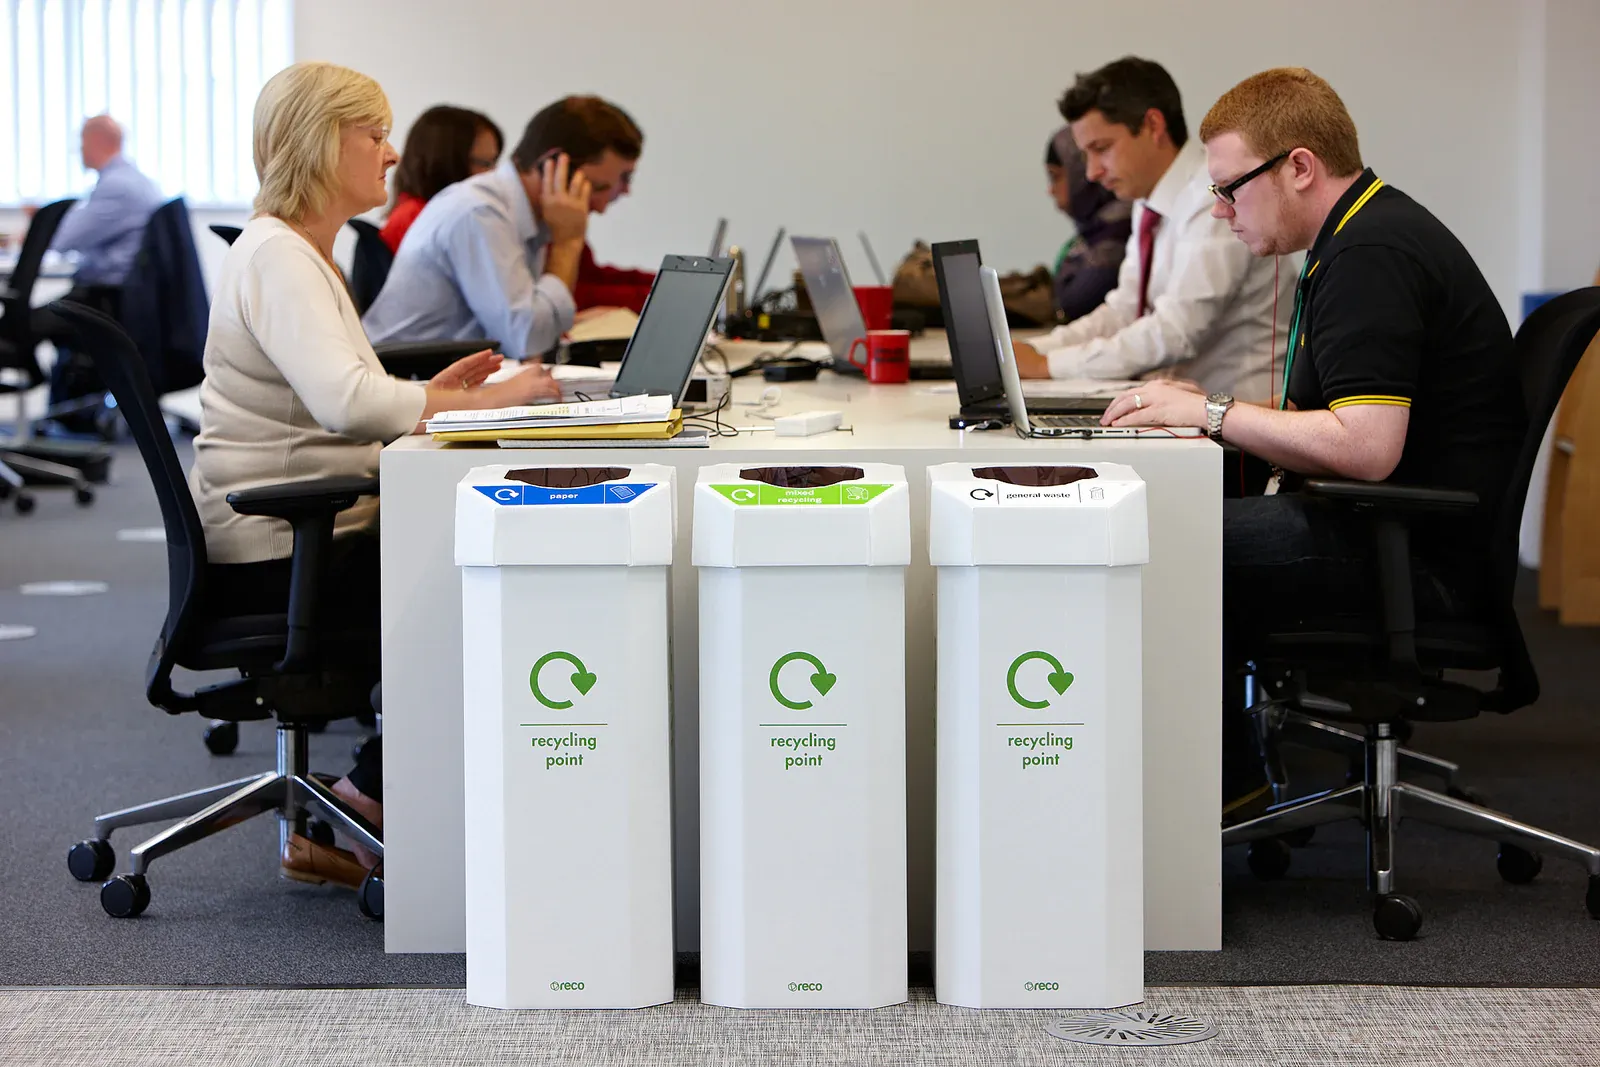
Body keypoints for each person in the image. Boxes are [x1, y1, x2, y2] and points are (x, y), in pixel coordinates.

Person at [1099, 67, 1526, 816]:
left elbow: (1367, 447)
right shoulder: (1358, 235)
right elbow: (1335, 416)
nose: (1221, 210)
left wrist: (1216, 415)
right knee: (1182, 522)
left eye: (1231, 187)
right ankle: (1227, 778)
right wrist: (1207, 407)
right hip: (1395, 528)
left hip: (1411, 555)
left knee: (1164, 538)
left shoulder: (1371, 256)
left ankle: (1223, 794)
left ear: (1299, 167)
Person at [191, 60, 562, 888]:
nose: (392, 154)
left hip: (299, 531)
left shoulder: (296, 253)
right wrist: (468, 403)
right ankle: (371, 796)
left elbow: (346, 395)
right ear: (325, 145)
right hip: (283, 550)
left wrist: (437, 397)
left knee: (484, 568)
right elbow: (346, 402)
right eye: (375, 135)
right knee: (488, 586)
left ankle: (378, 796)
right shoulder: (280, 258)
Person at [1012, 58, 1296, 403]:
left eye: (1101, 149)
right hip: (1184, 421)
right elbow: (1124, 310)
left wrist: (1049, 365)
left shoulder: (1213, 196)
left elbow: (1177, 332)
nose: (1092, 173)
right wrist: (1033, 351)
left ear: (1153, 125)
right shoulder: (1150, 201)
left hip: (1240, 434)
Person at [362, 95, 644, 359]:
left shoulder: (522, 216)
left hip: (445, 380)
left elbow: (536, 343)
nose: (600, 205)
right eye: (599, 187)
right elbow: (526, 340)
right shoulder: (480, 212)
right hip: (402, 379)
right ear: (553, 165)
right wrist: (568, 242)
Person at [379, 105, 504, 254]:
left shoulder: (431, 215)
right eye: (486, 163)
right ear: (448, 163)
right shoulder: (416, 220)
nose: (494, 174)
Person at [1045, 126, 1131, 322]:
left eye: (1055, 176)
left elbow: (1077, 301)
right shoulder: (1091, 236)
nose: (1093, 173)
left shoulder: (1119, 236)